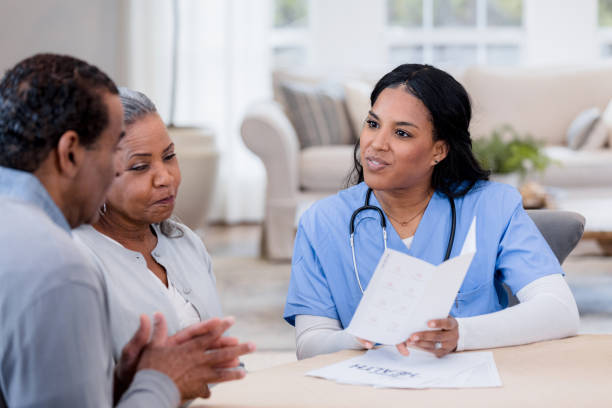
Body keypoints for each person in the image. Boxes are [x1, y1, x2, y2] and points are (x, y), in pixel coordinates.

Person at [0, 53, 254, 408]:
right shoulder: (62, 266)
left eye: (169, 156)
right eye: (113, 158)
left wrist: (122, 384)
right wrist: (162, 381)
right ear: (70, 153)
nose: (110, 174)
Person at [283, 64, 579, 360]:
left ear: (439, 150)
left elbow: (560, 310)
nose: (376, 144)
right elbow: (309, 343)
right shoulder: (322, 221)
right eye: (373, 124)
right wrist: (354, 337)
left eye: (401, 133)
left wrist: (461, 334)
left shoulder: (492, 207)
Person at [73, 88, 222, 360]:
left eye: (168, 156)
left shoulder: (186, 242)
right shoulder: (77, 265)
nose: (165, 177)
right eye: (140, 167)